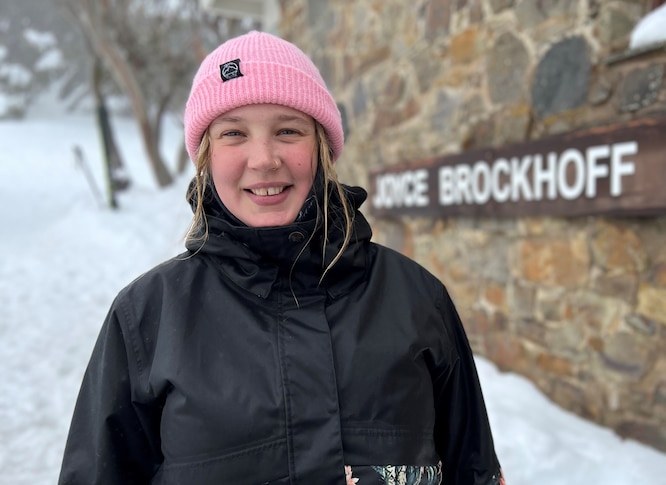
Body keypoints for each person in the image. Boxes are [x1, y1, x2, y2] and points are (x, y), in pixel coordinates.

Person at [58, 31, 505, 485]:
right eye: (234, 133)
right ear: (207, 157)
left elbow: (475, 471)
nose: (264, 158)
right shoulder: (146, 318)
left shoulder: (416, 298)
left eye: (287, 130)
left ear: (322, 148)